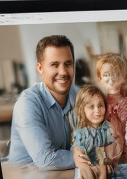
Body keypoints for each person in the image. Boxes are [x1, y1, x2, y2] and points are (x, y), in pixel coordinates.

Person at [8, 35, 80, 170]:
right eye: (54, 65)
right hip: (25, 176)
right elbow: (45, 159)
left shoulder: (80, 96)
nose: (63, 72)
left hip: (66, 173)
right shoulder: (27, 103)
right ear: (40, 68)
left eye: (68, 64)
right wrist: (92, 156)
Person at [71, 86, 116, 179]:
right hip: (87, 163)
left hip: (102, 162)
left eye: (100, 105)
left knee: (102, 163)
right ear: (82, 110)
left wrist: (105, 161)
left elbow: (108, 149)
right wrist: (83, 158)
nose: (97, 111)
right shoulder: (81, 133)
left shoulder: (106, 129)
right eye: (91, 107)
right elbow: (78, 149)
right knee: (84, 167)